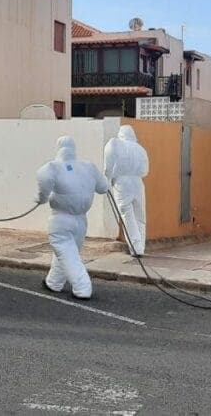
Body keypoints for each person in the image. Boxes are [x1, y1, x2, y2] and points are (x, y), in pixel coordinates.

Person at [36, 136, 110, 300]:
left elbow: (43, 181)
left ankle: (83, 287)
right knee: (67, 251)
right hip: (81, 221)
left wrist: (41, 198)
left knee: (67, 253)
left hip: (60, 219)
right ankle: (53, 282)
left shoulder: (53, 167)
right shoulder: (89, 167)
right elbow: (103, 187)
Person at [104, 125, 150, 256]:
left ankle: (136, 247)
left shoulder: (115, 144)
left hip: (122, 182)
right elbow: (145, 170)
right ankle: (140, 246)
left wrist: (107, 179)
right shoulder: (141, 149)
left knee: (126, 214)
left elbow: (108, 165)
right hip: (138, 182)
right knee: (140, 216)